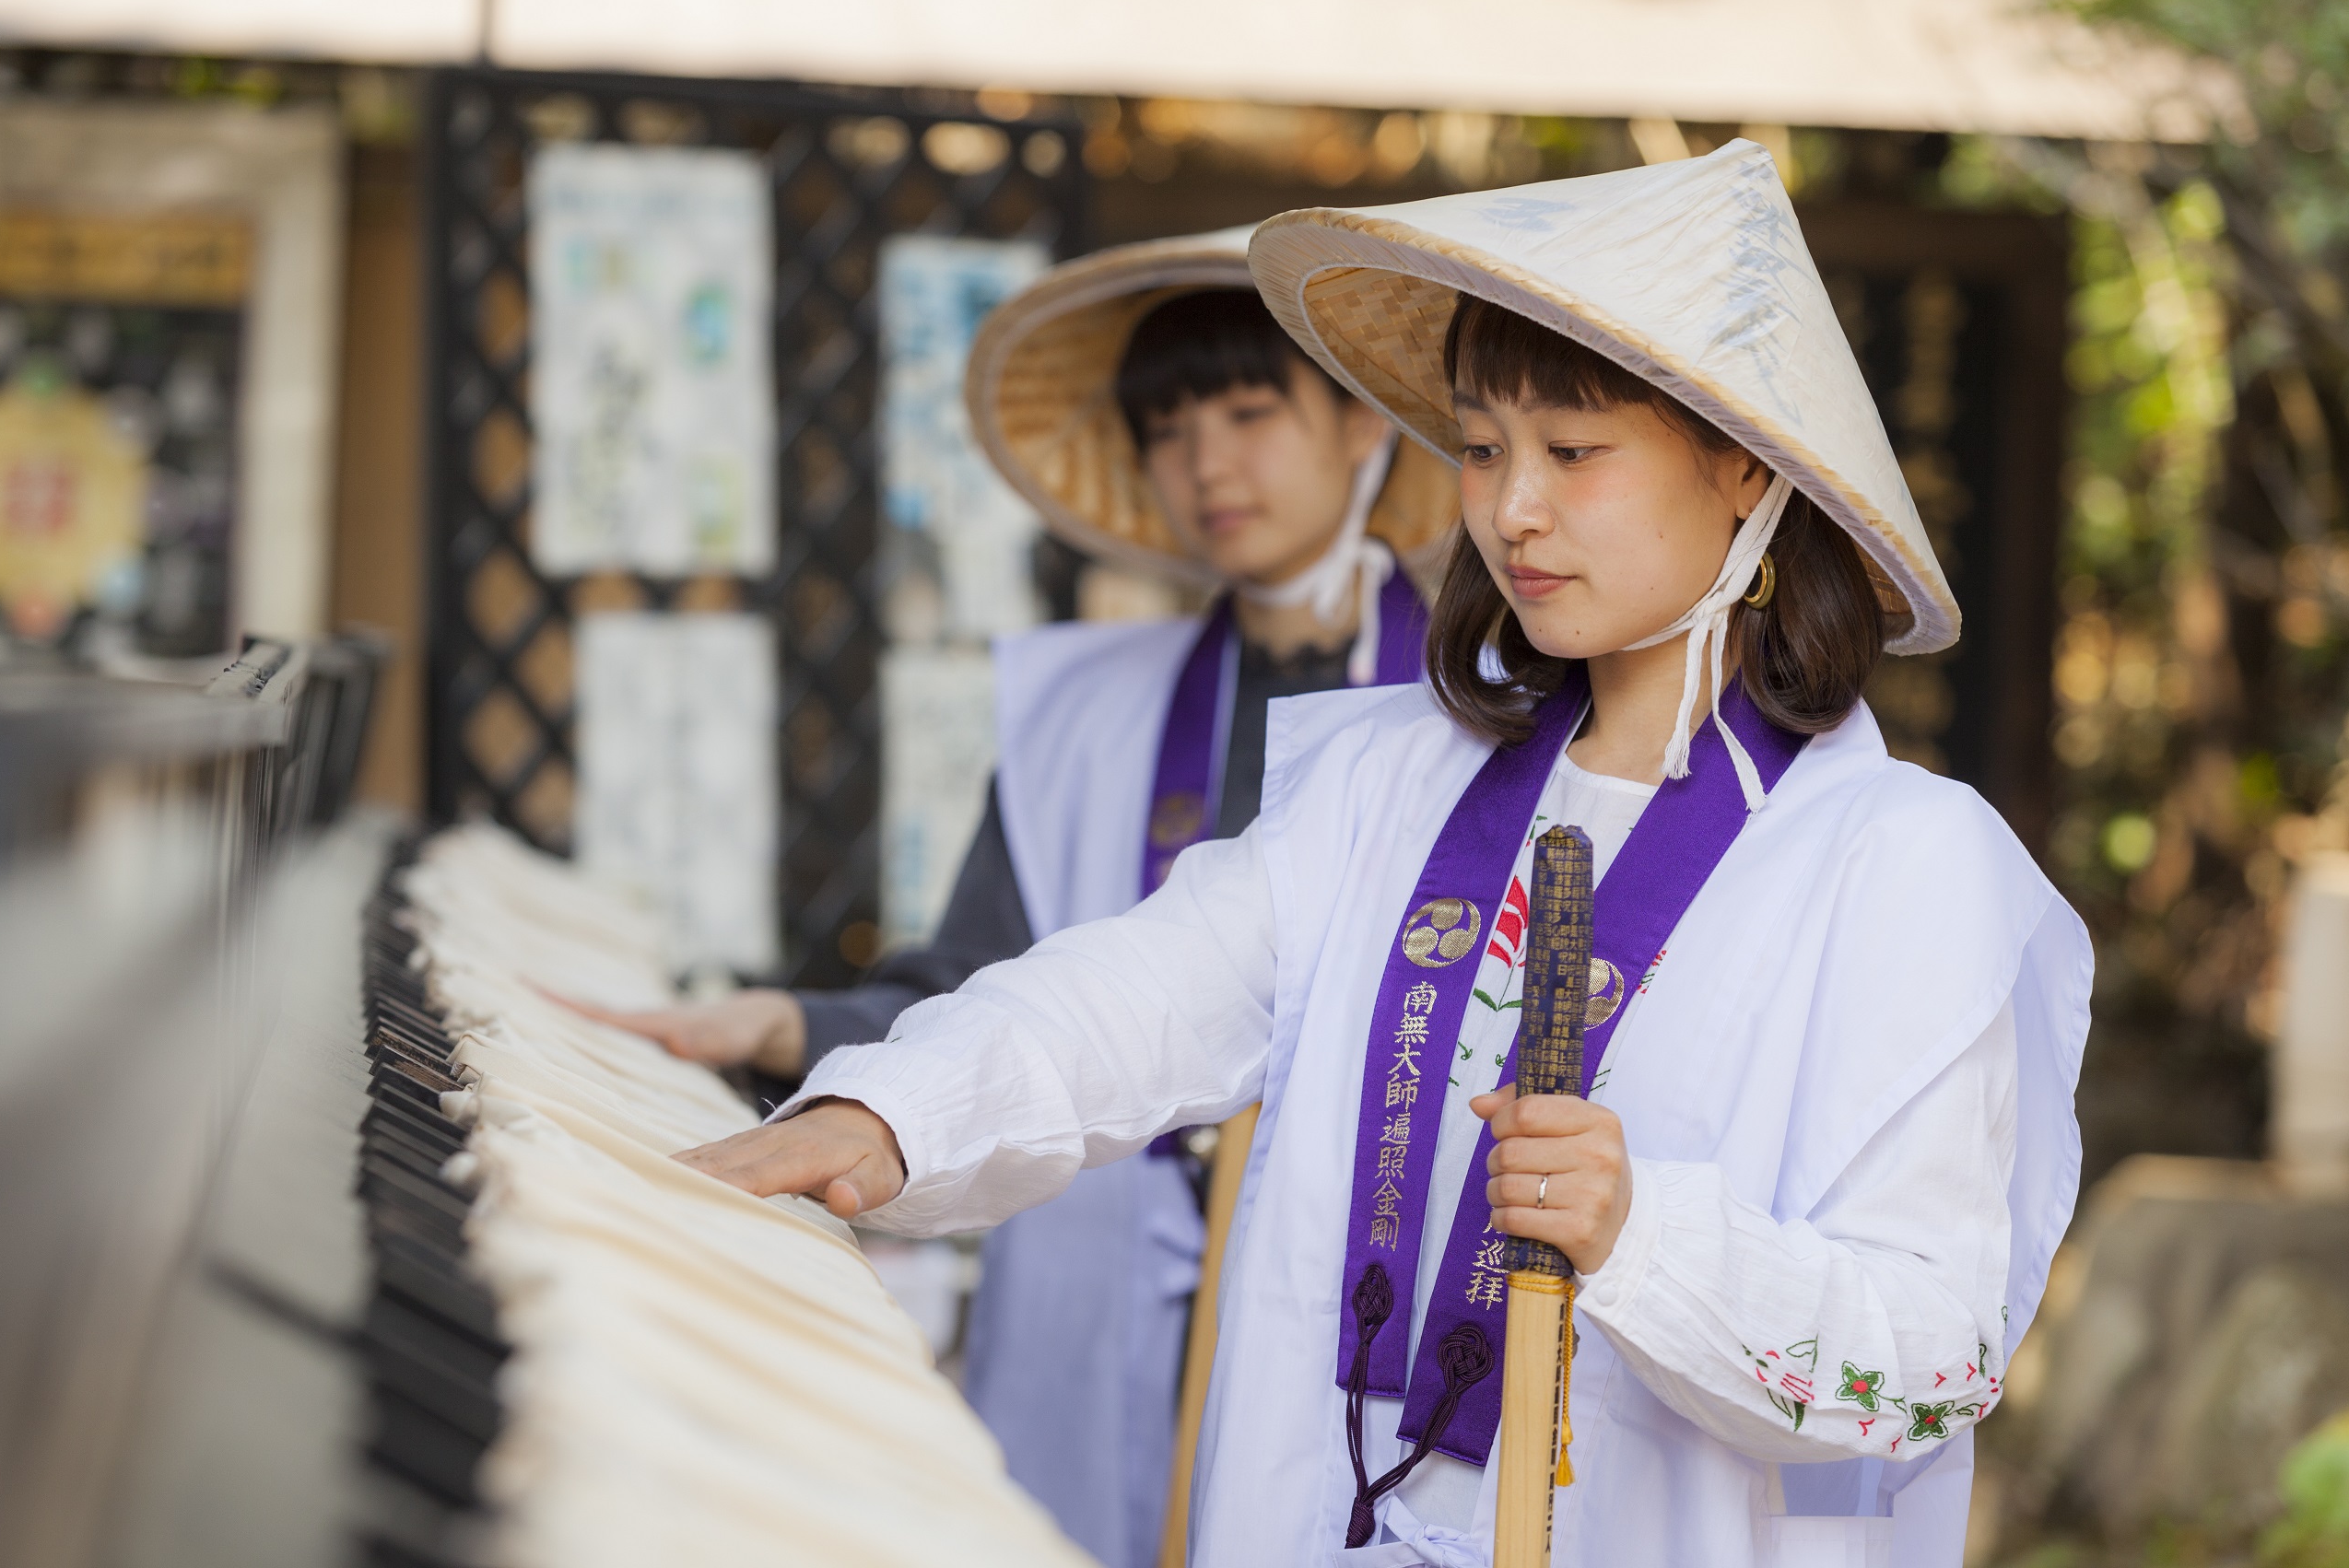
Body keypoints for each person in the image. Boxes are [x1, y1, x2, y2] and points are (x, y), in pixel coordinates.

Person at [672, 144, 2093, 1568]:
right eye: (1482, 449)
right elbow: (1141, 995)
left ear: (1742, 465)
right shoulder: (1391, 781)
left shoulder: (1903, 867)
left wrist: (1647, 1237)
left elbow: (1937, 1355)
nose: (1511, 509)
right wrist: (888, 1118)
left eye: (1573, 452)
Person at [595, 227, 1460, 1568]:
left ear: (1362, 422)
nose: (1208, 465)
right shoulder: (1080, 713)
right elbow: (973, 984)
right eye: (1169, 427)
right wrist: (779, 1028)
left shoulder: (1477, 713)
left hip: (1348, 1301)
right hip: (1088, 1305)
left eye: (1249, 412)